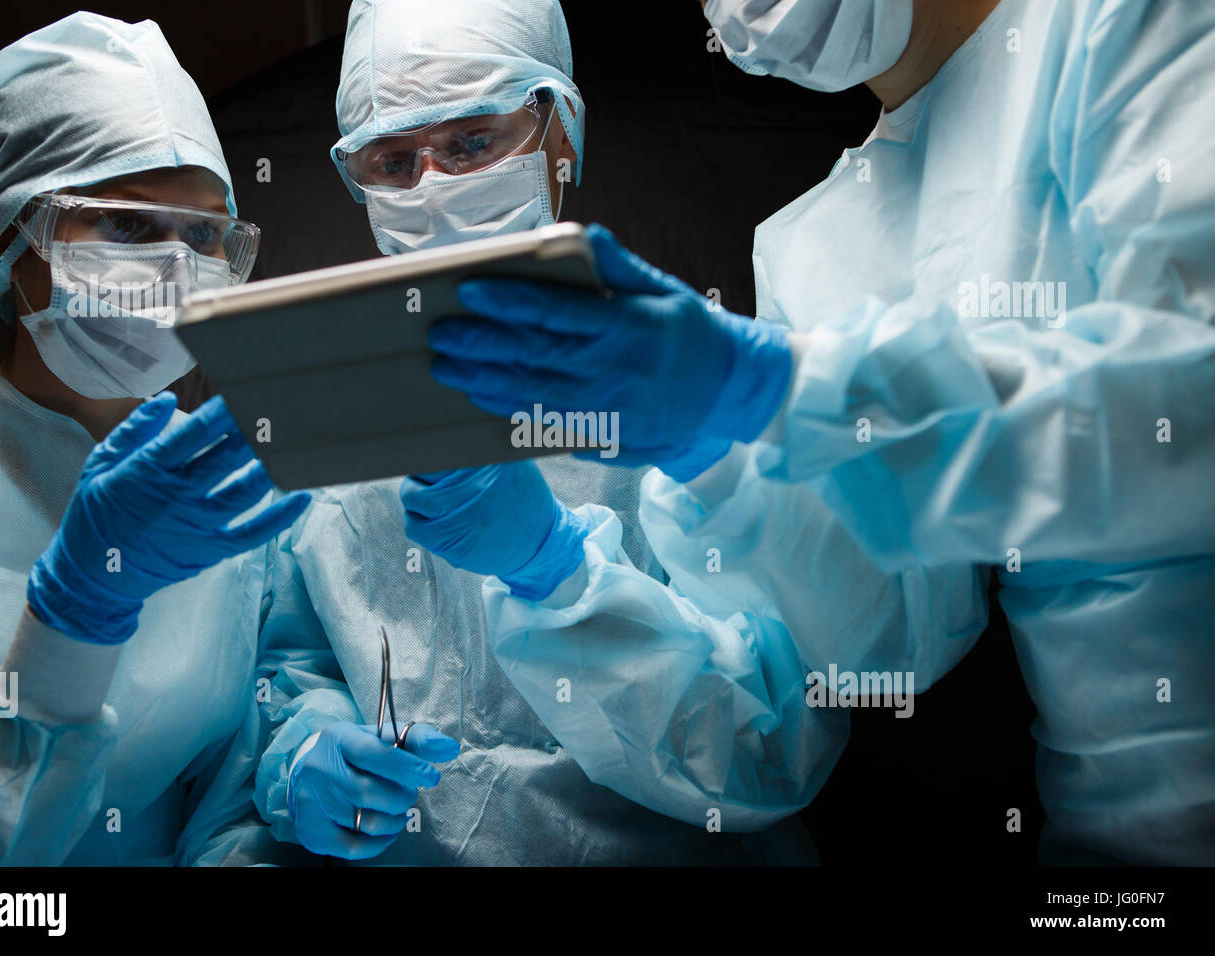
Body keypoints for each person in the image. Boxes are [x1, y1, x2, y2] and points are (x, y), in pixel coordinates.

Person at [421, 0, 1215, 864]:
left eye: (471, 141)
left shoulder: (1128, 24)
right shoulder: (822, 242)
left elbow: (1185, 417)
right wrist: (715, 455)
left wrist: (774, 390)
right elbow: (886, 649)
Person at [312, 0, 987, 861]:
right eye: (393, 161)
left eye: (474, 143)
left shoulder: (672, 386)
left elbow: (767, 754)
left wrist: (555, 573)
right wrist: (304, 742)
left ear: (562, 137)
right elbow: (288, 658)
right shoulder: (324, 414)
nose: (433, 186)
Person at [0, 12, 455, 866]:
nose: (177, 268)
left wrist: (302, 758)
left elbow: (236, 756)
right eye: (128, 226)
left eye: (205, 235)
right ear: (14, 243)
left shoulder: (218, 472)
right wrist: (74, 615)